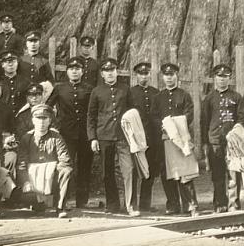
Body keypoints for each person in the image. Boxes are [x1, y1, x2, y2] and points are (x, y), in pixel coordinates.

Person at [87, 58, 138, 216]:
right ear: (102, 74)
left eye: (112, 70)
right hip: (104, 136)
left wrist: (133, 134)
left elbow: (132, 112)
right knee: (106, 172)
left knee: (129, 169)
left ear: (117, 71)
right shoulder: (96, 91)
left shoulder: (125, 89)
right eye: (106, 71)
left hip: (123, 137)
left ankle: (131, 205)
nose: (110, 73)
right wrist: (93, 138)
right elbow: (91, 116)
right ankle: (113, 204)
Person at [151, 62, 199, 216]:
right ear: (163, 77)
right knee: (167, 173)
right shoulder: (159, 97)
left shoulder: (184, 95)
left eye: (172, 75)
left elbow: (189, 114)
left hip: (181, 139)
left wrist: (177, 124)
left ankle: (190, 205)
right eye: (166, 75)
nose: (169, 78)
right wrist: (164, 125)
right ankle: (172, 204)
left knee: (185, 172)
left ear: (177, 76)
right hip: (165, 140)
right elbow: (154, 116)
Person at [46, 56, 93, 208]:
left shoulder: (89, 88)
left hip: (85, 134)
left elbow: (93, 111)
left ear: (82, 71)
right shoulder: (59, 88)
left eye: (77, 69)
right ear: (67, 72)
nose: (74, 72)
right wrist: (55, 126)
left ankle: (82, 202)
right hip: (66, 134)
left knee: (85, 168)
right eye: (71, 69)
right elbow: (48, 108)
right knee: (65, 167)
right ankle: (61, 201)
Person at [201, 63, 244, 213]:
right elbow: (204, 122)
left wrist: (236, 133)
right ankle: (220, 204)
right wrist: (205, 143)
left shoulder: (236, 97)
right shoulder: (209, 98)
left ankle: (233, 204)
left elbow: (242, 119)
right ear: (215, 78)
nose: (222, 80)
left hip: (232, 143)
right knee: (218, 175)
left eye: (225, 77)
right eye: (219, 76)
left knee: (234, 173)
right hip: (215, 142)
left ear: (229, 78)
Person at [17, 104, 72, 218]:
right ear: (33, 120)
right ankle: (36, 203)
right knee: (23, 193)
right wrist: (26, 181)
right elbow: (21, 163)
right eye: (38, 118)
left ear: (50, 120)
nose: (41, 122)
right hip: (32, 178)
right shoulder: (26, 138)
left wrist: (50, 171)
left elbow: (65, 159)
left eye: (44, 118)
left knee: (66, 170)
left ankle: (60, 207)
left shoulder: (56, 137)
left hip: (51, 177)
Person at [129, 62, 160, 213]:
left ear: (150, 75)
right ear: (136, 75)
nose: (144, 76)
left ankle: (145, 204)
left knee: (150, 170)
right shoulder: (130, 93)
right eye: (141, 73)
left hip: (153, 137)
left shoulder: (156, 92)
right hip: (136, 137)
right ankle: (132, 204)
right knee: (134, 170)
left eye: (146, 73)